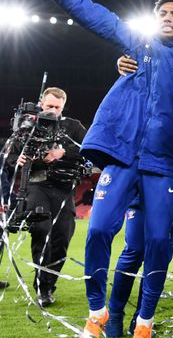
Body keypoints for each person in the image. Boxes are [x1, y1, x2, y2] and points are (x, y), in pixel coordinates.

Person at [28, 0, 173, 338]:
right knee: (100, 229)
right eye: (163, 13)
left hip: (165, 162)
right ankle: (97, 312)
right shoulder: (138, 45)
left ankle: (146, 320)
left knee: (158, 239)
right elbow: (96, 15)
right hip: (123, 155)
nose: (167, 18)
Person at [12, 87, 86, 307]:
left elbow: (89, 147)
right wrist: (17, 161)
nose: (53, 110)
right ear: (41, 103)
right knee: (42, 231)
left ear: (63, 107)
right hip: (37, 185)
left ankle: (49, 284)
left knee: (62, 238)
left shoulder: (73, 127)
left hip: (64, 188)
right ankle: (42, 289)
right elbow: (11, 154)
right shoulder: (28, 126)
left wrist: (64, 152)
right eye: (49, 106)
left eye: (57, 107)